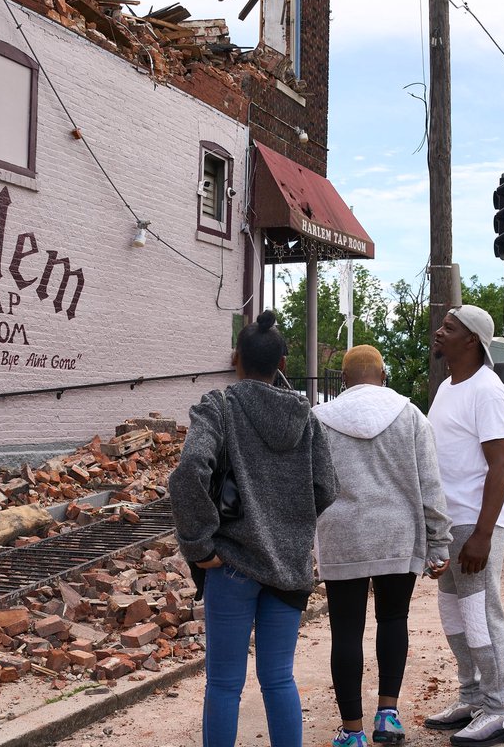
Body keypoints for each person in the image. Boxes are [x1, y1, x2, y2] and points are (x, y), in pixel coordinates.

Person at [169, 310, 339, 747]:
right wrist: (290, 521)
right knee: (278, 678)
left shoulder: (219, 407)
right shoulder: (307, 418)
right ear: (283, 363)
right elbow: (326, 487)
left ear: (235, 358)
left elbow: (189, 471)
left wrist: (198, 543)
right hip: (288, 567)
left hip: (231, 565)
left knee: (224, 684)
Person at [312, 345, 452, 747]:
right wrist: (438, 543)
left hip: (342, 536)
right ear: (384, 374)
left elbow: (310, 486)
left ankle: (352, 732)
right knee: (393, 619)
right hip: (397, 532)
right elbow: (430, 483)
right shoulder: (410, 416)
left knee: (345, 632)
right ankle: (388, 717)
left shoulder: (319, 420)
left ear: (342, 380)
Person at [423, 305, 504, 746]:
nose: (439, 332)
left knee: (482, 614)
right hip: (450, 521)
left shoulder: (488, 390)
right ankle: (472, 695)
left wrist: (483, 534)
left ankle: (502, 709)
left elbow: (501, 466)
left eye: (450, 328)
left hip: (475, 522)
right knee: (453, 613)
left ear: (471, 341)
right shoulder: (448, 386)